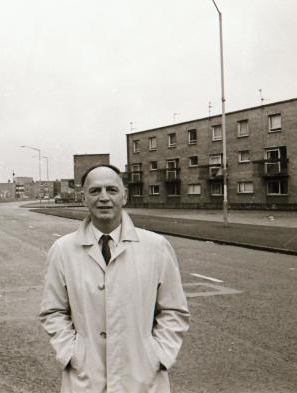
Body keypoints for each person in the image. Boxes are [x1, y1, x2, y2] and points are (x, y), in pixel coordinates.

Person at [39, 164, 190, 393]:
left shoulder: (156, 247)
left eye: (111, 189)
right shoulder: (63, 250)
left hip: (143, 379)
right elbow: (53, 311)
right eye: (95, 191)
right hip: (85, 378)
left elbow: (174, 310)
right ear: (83, 198)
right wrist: (72, 353)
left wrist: (157, 355)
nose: (104, 198)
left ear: (125, 196)